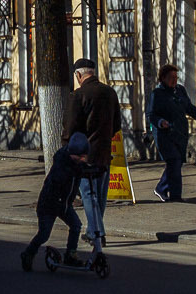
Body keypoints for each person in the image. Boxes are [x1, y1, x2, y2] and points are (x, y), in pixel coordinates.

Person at [63, 57, 122, 252]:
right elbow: (117, 125)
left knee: (88, 194)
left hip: (84, 156)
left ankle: (97, 232)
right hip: (104, 153)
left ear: (78, 75)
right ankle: (95, 231)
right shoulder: (110, 92)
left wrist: (67, 149)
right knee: (100, 196)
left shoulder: (78, 96)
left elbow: (70, 129)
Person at [146, 64, 196, 203]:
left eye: (176, 77)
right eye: (171, 78)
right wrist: (161, 122)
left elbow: (190, 108)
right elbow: (151, 115)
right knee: (174, 160)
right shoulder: (157, 94)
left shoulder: (180, 90)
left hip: (180, 132)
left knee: (177, 163)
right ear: (163, 78)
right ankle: (175, 195)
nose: (174, 80)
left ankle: (162, 188)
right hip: (164, 134)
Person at [21, 131, 89, 270]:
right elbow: (65, 176)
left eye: (84, 156)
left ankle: (71, 254)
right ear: (72, 153)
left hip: (64, 204)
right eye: (80, 157)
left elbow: (84, 170)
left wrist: (97, 169)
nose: (83, 159)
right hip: (48, 204)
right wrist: (80, 170)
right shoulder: (62, 166)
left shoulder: (75, 164)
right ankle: (28, 253)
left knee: (76, 225)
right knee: (44, 234)